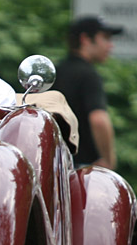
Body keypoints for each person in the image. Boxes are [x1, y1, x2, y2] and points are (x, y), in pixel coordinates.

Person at [52, 16, 123, 169]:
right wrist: (108, 160)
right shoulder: (89, 75)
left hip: (56, 165)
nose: (110, 46)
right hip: (84, 169)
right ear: (85, 39)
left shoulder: (57, 72)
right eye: (105, 38)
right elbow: (98, 119)